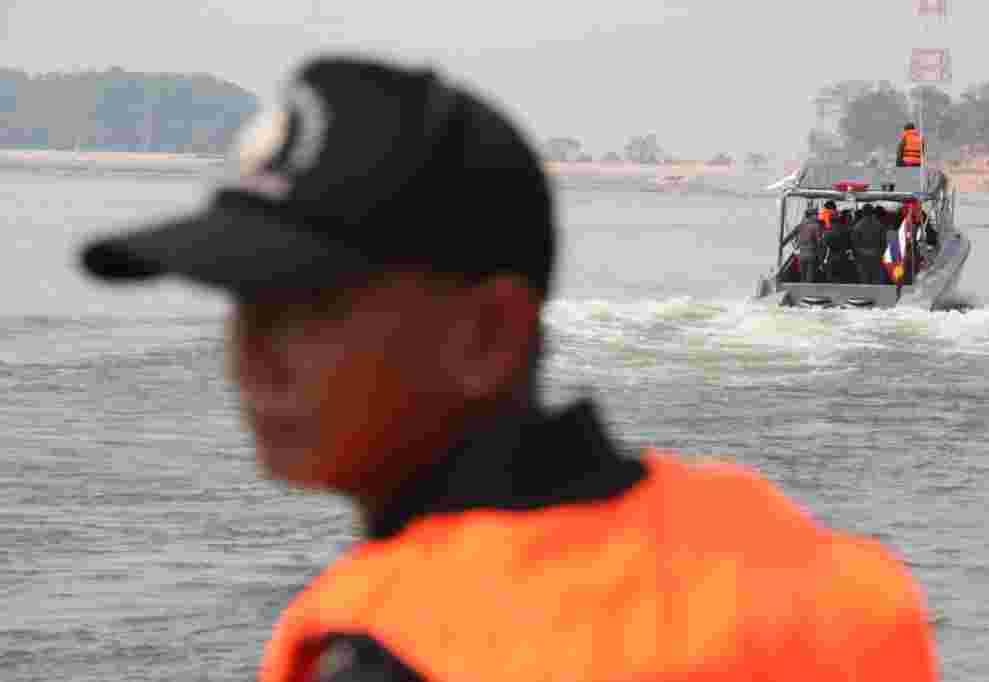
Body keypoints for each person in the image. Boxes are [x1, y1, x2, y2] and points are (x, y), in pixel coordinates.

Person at [79, 56, 938, 681]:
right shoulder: (816, 568)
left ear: (488, 335)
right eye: (242, 307)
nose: (248, 362)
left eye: (303, 309)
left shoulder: (388, 651)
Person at [852, 204, 888, 284]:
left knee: (864, 282)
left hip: (862, 258)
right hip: (876, 257)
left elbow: (855, 245)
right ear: (873, 213)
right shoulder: (880, 226)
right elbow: (884, 244)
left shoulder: (857, 227)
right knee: (876, 282)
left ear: (863, 213)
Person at [824, 209, 854, 283]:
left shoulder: (827, 232)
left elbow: (825, 246)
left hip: (832, 257)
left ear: (830, 221)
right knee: (843, 278)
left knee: (832, 279)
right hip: (843, 256)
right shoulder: (846, 230)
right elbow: (850, 244)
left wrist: (824, 261)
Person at [796, 207, 822, 283]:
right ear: (811, 216)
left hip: (801, 255)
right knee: (809, 279)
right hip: (811, 254)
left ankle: (802, 293)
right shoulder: (815, 226)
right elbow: (819, 241)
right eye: (816, 215)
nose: (818, 216)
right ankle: (808, 293)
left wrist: (797, 245)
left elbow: (791, 236)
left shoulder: (800, 225)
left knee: (802, 278)